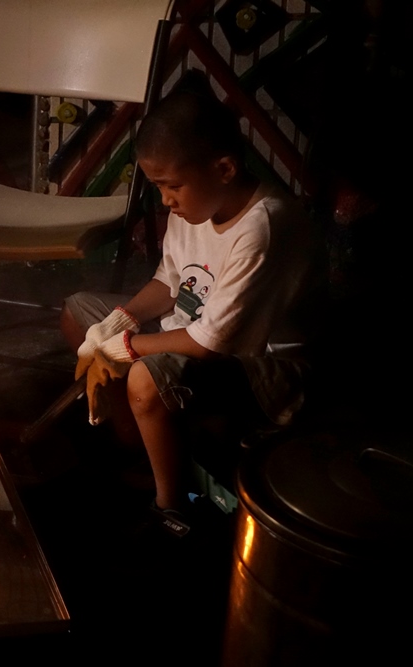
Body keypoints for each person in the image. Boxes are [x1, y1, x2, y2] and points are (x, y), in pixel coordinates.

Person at [62, 74, 323, 538]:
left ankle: (174, 507)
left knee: (143, 373)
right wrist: (117, 323)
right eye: (158, 187)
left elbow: (209, 344)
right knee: (79, 311)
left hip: (263, 368)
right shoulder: (196, 205)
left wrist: (122, 348)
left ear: (223, 169)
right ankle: (146, 441)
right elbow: (169, 281)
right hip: (198, 332)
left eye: (171, 186)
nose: (165, 200)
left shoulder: (262, 228)